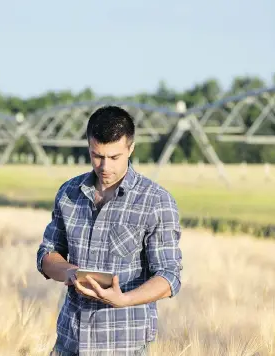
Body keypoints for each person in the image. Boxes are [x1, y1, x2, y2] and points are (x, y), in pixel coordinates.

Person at [36, 105, 183, 356]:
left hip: (124, 346)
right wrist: (70, 272)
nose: (104, 166)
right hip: (69, 343)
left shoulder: (156, 201)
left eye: (114, 157)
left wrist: (123, 300)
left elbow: (170, 276)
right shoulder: (68, 193)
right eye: (97, 155)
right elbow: (46, 255)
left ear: (131, 148)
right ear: (89, 146)